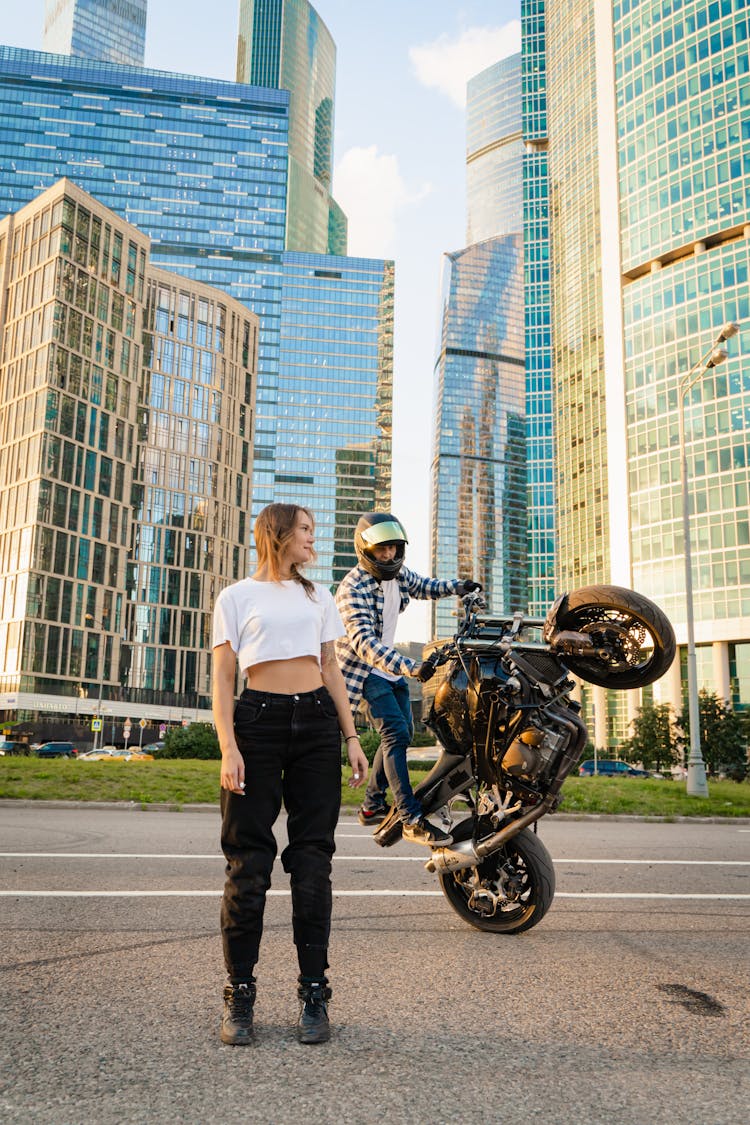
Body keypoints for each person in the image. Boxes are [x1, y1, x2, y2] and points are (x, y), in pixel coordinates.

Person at [212, 503, 368, 1047]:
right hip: (256, 723)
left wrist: (351, 737)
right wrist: (229, 746)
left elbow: (330, 666)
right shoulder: (235, 597)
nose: (312, 540)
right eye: (304, 530)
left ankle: (314, 993)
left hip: (318, 723)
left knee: (311, 862)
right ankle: (239, 995)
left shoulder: (318, 596)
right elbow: (225, 676)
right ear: (276, 534)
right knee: (248, 863)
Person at [335, 512, 480, 845]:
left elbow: (424, 586)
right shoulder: (351, 588)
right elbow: (364, 643)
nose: (388, 556)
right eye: (381, 550)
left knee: (402, 734)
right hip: (364, 671)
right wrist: (411, 667)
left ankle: (372, 804)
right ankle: (409, 815)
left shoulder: (397, 575)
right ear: (365, 549)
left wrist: (459, 587)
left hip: (390, 670)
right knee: (396, 734)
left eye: (394, 549)